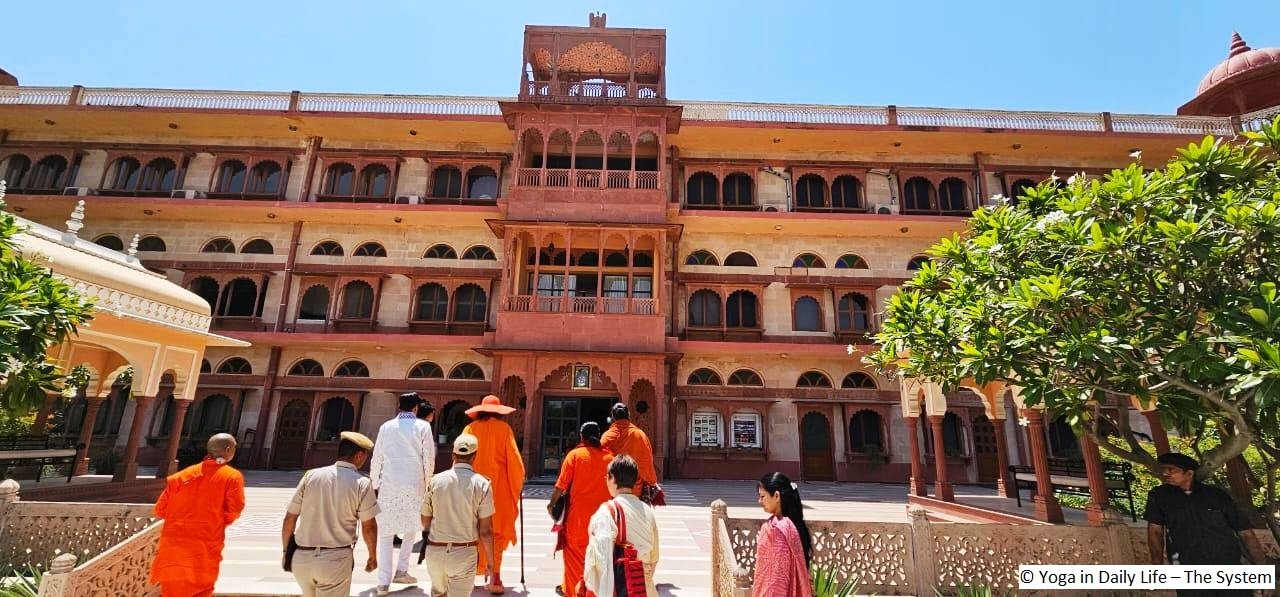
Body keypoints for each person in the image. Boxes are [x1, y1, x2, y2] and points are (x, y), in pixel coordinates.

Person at [1144, 452, 1266, 596]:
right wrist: (1157, 566)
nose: (1165, 473)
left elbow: (1245, 533)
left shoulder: (1216, 496)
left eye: (1171, 469)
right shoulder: (1159, 496)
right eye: (1163, 469)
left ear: (1189, 473)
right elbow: (1155, 531)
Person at [282, 431, 381, 597]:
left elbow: (290, 518)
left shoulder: (311, 476)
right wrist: (372, 555)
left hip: (302, 557)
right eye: (365, 455)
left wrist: (287, 552)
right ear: (359, 455)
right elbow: (369, 525)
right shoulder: (361, 483)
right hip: (334, 559)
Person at [149, 433, 246, 597]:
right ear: (228, 449)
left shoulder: (180, 476)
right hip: (203, 547)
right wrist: (212, 521)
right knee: (200, 591)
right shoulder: (231, 476)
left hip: (173, 549)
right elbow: (234, 511)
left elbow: (160, 510)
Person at [370, 392, 436, 595]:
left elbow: (377, 456)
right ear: (416, 408)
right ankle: (401, 570)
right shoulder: (422, 426)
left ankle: (383, 582)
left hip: (388, 484)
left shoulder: (386, 426)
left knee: (386, 532)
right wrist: (428, 483)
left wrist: (374, 482)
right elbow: (428, 458)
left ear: (400, 406)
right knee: (410, 529)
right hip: (414, 483)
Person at [462, 394, 525, 594]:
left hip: (471, 487)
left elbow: (460, 455)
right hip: (496, 489)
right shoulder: (504, 429)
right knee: (495, 533)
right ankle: (495, 576)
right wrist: (517, 486)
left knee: (471, 531)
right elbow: (515, 463)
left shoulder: (470, 429)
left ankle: (470, 575)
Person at [421, 433, 497, 597]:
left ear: (453, 455)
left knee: (438, 594)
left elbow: (425, 519)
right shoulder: (482, 484)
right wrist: (491, 564)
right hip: (464, 551)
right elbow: (486, 531)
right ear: (474, 456)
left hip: (435, 550)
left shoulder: (435, 481)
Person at [547, 422, 614, 597]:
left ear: (581, 437)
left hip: (578, 520)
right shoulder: (610, 458)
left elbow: (561, 486)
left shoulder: (574, 456)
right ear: (598, 436)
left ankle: (574, 591)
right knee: (601, 561)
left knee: (575, 560)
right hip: (604, 521)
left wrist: (551, 504)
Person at [581, 455, 659, 597]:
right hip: (644, 588)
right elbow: (654, 557)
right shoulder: (647, 510)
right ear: (635, 480)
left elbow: (599, 561)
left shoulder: (607, 511)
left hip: (620, 587)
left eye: (607, 477)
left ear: (612, 478)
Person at [751, 472, 812, 597]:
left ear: (777, 496)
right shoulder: (795, 525)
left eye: (763, 496)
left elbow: (774, 581)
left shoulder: (775, 529)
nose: (759, 501)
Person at [600, 403, 660, 500]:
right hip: (636, 489)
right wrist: (651, 480)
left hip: (614, 489)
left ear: (613, 417)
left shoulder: (607, 436)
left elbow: (600, 461)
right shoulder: (639, 434)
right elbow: (646, 460)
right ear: (628, 415)